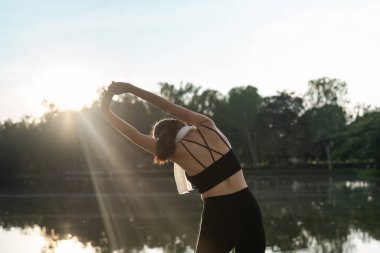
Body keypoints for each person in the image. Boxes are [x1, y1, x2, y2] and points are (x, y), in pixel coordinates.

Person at [101, 82, 266, 253]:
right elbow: (166, 106)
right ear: (180, 123)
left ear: (163, 140)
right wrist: (130, 88)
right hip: (247, 205)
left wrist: (105, 110)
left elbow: (134, 136)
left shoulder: (174, 152)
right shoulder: (207, 124)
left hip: (219, 214)